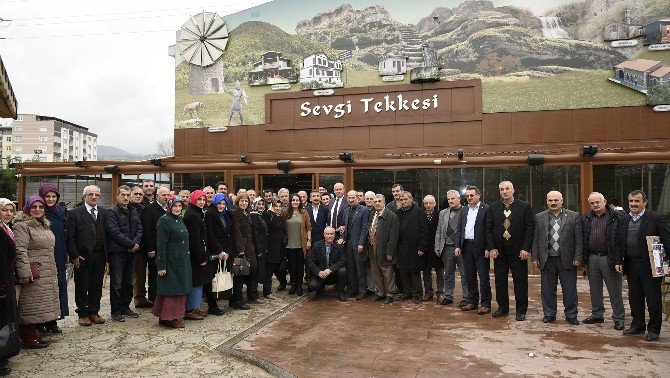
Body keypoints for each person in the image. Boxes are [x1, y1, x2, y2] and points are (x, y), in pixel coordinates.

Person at [618, 190, 670, 341]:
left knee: (653, 299)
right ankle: (638, 325)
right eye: (631, 201)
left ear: (645, 202)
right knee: (635, 297)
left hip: (650, 266)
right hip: (630, 264)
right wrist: (618, 262)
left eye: (637, 201)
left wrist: (668, 264)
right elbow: (619, 242)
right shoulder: (624, 219)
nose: (633, 204)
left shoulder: (656, 218)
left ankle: (654, 329)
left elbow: (668, 242)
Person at [13, 196, 60, 348]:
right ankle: (27, 337)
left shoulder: (43, 224)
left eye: (41, 207)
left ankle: (33, 333)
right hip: (32, 271)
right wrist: (25, 272)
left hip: (46, 270)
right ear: (27, 208)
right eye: (34, 206)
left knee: (40, 303)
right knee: (29, 303)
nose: (38, 209)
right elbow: (20, 250)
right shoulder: (22, 225)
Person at [485, 181, 534, 321]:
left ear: (513, 190)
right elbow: (488, 230)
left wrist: (526, 248)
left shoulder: (524, 207)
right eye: (502, 189)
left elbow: (530, 229)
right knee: (500, 281)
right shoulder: (493, 208)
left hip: (518, 252)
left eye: (507, 189)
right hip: (499, 252)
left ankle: (521, 310)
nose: (505, 191)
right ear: (499, 191)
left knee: (520, 282)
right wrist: (491, 247)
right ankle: (503, 308)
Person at [532, 191, 582, 326]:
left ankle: (571, 315)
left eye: (556, 200)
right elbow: (536, 239)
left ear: (562, 201)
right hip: (546, 259)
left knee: (569, 289)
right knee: (547, 290)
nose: (553, 203)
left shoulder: (573, 216)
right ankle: (549, 314)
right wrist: (535, 257)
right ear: (547, 201)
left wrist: (578, 257)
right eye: (550, 200)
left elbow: (579, 239)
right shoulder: (539, 217)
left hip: (567, 259)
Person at [582, 192, 625, 330]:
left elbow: (621, 241)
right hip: (592, 258)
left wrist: (619, 260)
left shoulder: (616, 217)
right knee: (595, 290)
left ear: (604, 201)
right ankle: (597, 314)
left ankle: (618, 318)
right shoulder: (586, 218)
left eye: (597, 202)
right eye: (592, 203)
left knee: (614, 290)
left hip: (610, 258)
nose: (595, 205)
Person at [66, 185, 108, 327]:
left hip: (100, 255)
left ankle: (93, 312)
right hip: (82, 256)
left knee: (97, 285)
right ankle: (83, 314)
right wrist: (75, 255)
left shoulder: (104, 212)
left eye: (97, 194)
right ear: (84, 197)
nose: (94, 197)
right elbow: (70, 237)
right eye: (91, 194)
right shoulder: (75, 213)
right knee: (82, 285)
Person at [153, 196, 192, 328]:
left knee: (179, 288)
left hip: (182, 261)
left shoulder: (179, 219)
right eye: (174, 206)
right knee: (172, 289)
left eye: (179, 206)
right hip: (171, 262)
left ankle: (167, 316)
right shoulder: (164, 220)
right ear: (169, 207)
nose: (177, 208)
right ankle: (170, 318)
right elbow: (161, 245)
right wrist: (161, 265)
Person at [106, 185, 143, 322]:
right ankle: (116, 311)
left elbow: (140, 228)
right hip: (117, 253)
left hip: (132, 253)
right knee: (117, 283)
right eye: (123, 195)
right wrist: (131, 244)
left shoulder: (133, 210)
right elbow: (114, 232)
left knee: (129, 282)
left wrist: (135, 244)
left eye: (128, 195)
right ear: (117, 196)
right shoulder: (112, 212)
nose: (126, 197)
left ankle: (125, 307)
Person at [455, 186, 491, 314]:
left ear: (478, 195)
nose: (469, 198)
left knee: (483, 277)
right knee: (469, 276)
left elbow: (489, 230)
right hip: (466, 247)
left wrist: (489, 247)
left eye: (472, 195)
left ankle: (486, 303)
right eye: (467, 196)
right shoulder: (464, 210)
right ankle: (472, 301)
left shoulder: (486, 209)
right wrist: (458, 246)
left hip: (481, 248)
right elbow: (459, 229)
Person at [39, 183, 68, 333]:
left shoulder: (60, 211)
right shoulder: (39, 213)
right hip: (45, 256)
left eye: (53, 196)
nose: (50, 199)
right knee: (45, 290)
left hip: (60, 254)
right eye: (47, 196)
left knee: (59, 287)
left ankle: (54, 321)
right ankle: (40, 323)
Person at [137, 186, 170, 308]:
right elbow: (147, 231)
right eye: (163, 195)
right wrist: (150, 248)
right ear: (157, 196)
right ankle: (153, 298)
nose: (166, 197)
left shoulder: (169, 209)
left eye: (167, 195)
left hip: (166, 247)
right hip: (154, 248)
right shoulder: (149, 210)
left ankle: (161, 296)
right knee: (154, 274)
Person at [435, 190, 469, 307]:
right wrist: (438, 246)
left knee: (465, 274)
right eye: (449, 199)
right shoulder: (443, 213)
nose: (450, 201)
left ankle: (466, 297)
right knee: (448, 274)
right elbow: (439, 231)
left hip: (462, 248)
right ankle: (448, 296)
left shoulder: (466, 211)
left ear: (459, 198)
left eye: (453, 199)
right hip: (447, 248)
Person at [367, 194, 399, 304]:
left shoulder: (391, 216)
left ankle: (390, 293)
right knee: (375, 271)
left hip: (384, 249)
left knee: (387, 271)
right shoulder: (372, 214)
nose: (377, 203)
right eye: (375, 201)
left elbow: (393, 237)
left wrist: (390, 251)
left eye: (379, 201)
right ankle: (380, 292)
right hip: (372, 247)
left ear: (384, 202)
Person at [183, 190, 210, 320]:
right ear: (194, 200)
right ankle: (191, 309)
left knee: (199, 282)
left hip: (197, 255)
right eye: (199, 200)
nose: (202, 202)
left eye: (203, 200)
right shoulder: (193, 215)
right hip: (195, 256)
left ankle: (196, 307)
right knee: (196, 282)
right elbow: (195, 240)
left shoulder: (197, 213)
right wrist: (201, 258)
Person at [0, 198, 20, 373]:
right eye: (4, 210)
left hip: (7, 277)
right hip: (1, 281)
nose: (8, 213)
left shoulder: (6, 228)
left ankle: (4, 354)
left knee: (5, 318)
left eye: (11, 210)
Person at [338, 190, 369, 299]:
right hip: (347, 244)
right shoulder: (346, 211)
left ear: (357, 198)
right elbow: (342, 227)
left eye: (353, 198)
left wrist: (361, 243)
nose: (351, 200)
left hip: (358, 244)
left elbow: (364, 228)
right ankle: (352, 289)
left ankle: (362, 291)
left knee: (360, 268)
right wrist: (341, 238)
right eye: (349, 198)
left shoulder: (364, 210)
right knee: (350, 268)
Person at [230, 193, 257, 309]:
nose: (244, 203)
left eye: (246, 201)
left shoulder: (247, 213)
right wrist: (241, 250)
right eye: (241, 201)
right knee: (239, 275)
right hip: (240, 248)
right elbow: (236, 233)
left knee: (247, 272)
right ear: (237, 202)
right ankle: (237, 301)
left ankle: (238, 299)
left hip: (249, 246)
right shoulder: (235, 214)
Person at [282, 193, 312, 296]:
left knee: (300, 266)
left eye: (297, 200)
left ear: (300, 202)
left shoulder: (304, 213)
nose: (295, 202)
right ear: (290, 202)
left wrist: (309, 240)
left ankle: (299, 286)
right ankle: (293, 285)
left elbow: (308, 227)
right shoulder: (286, 213)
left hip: (301, 244)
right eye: (293, 200)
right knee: (291, 266)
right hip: (289, 245)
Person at [308, 227, 347, 301]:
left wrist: (330, 270)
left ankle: (341, 292)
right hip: (321, 275)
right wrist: (318, 272)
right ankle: (320, 288)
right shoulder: (317, 245)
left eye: (331, 234)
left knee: (342, 271)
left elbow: (342, 261)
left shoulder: (338, 246)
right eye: (327, 234)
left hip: (333, 274)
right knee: (313, 286)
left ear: (334, 235)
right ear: (324, 235)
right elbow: (310, 262)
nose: (329, 236)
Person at [421, 195, 442, 302]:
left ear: (434, 204)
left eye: (430, 203)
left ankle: (440, 293)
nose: (428, 205)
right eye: (426, 203)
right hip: (425, 248)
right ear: (424, 204)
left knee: (439, 271)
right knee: (426, 272)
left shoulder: (440, 215)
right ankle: (428, 292)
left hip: (437, 248)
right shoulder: (420, 215)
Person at [264, 200, 287, 298]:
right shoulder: (270, 216)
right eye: (275, 206)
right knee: (268, 272)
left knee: (280, 269)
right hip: (270, 248)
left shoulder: (282, 218)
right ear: (272, 207)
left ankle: (283, 284)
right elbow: (265, 216)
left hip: (280, 248)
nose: (278, 208)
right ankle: (267, 291)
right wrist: (269, 210)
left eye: (279, 206)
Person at [249, 199, 268, 304]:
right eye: (259, 204)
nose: (261, 206)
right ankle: (253, 295)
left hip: (263, 248)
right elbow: (254, 233)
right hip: (258, 249)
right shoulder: (254, 215)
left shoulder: (261, 215)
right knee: (255, 272)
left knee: (258, 271)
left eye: (262, 204)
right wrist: (258, 249)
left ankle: (254, 294)